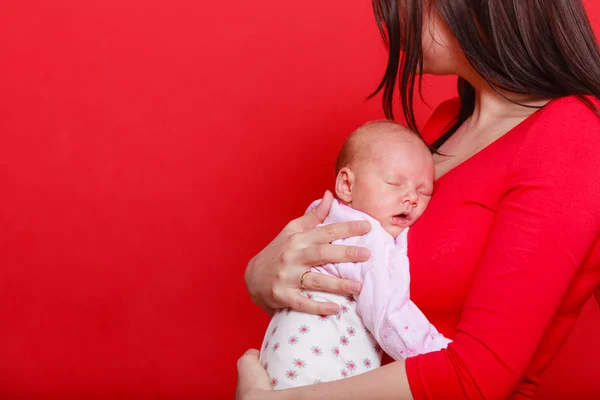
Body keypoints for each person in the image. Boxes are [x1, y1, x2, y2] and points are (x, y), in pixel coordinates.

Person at [237, 0, 600, 398]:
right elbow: (367, 292)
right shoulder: (445, 124)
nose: (392, 19)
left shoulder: (573, 134)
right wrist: (262, 278)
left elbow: (478, 377)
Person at [259, 121, 450, 389]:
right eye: (394, 183)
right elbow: (387, 312)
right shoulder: (365, 236)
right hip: (317, 369)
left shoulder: (326, 219)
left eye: (423, 191)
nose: (411, 198)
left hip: (282, 366)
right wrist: (438, 355)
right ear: (347, 185)